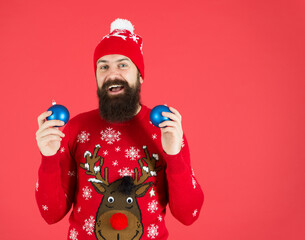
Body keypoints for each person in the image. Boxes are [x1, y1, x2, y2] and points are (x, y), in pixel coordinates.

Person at [35, 18, 204, 240]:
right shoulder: (76, 128)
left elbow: (188, 215)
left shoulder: (165, 129)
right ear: (96, 76)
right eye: (103, 66)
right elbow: (51, 214)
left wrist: (174, 156)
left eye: (123, 64)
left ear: (140, 75)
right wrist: (48, 158)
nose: (112, 74)